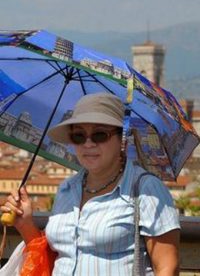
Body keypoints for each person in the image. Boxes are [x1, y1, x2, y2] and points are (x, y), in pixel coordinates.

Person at [0, 93, 180, 275]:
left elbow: (167, 267)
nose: (88, 144)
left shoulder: (146, 189)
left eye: (99, 135)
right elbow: (56, 256)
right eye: (79, 136)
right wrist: (26, 225)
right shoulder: (66, 189)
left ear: (122, 140)